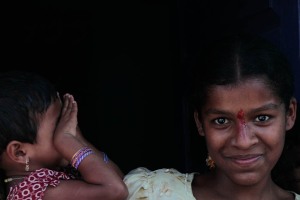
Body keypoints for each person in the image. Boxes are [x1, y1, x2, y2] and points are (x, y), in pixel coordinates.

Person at [123, 34, 300, 199]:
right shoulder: (152, 193)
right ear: (199, 122)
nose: (243, 142)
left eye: (262, 118)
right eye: (221, 121)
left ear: (290, 114)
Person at [0, 70, 128, 200]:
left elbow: (124, 180)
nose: (66, 127)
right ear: (20, 152)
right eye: (58, 125)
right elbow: (117, 190)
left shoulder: (56, 170)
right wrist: (67, 140)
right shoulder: (32, 193)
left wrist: (78, 139)